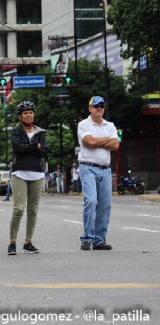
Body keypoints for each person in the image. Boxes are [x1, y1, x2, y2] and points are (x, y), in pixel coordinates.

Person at [77, 96, 119, 251]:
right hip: (88, 167)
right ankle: (87, 239)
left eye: (102, 105)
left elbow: (115, 145)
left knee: (105, 205)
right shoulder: (83, 124)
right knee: (92, 201)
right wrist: (106, 139)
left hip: (105, 168)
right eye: (96, 106)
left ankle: (99, 240)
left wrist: (98, 140)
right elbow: (89, 142)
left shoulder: (110, 125)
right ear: (90, 108)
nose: (99, 108)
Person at [7, 101, 48, 255]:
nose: (29, 115)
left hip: (37, 173)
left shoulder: (41, 132)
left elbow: (44, 150)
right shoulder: (16, 131)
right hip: (19, 173)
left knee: (33, 210)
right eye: (25, 113)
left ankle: (28, 242)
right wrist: (34, 146)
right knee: (18, 209)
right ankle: (12, 242)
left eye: (31, 112)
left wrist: (31, 147)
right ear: (20, 116)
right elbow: (18, 148)